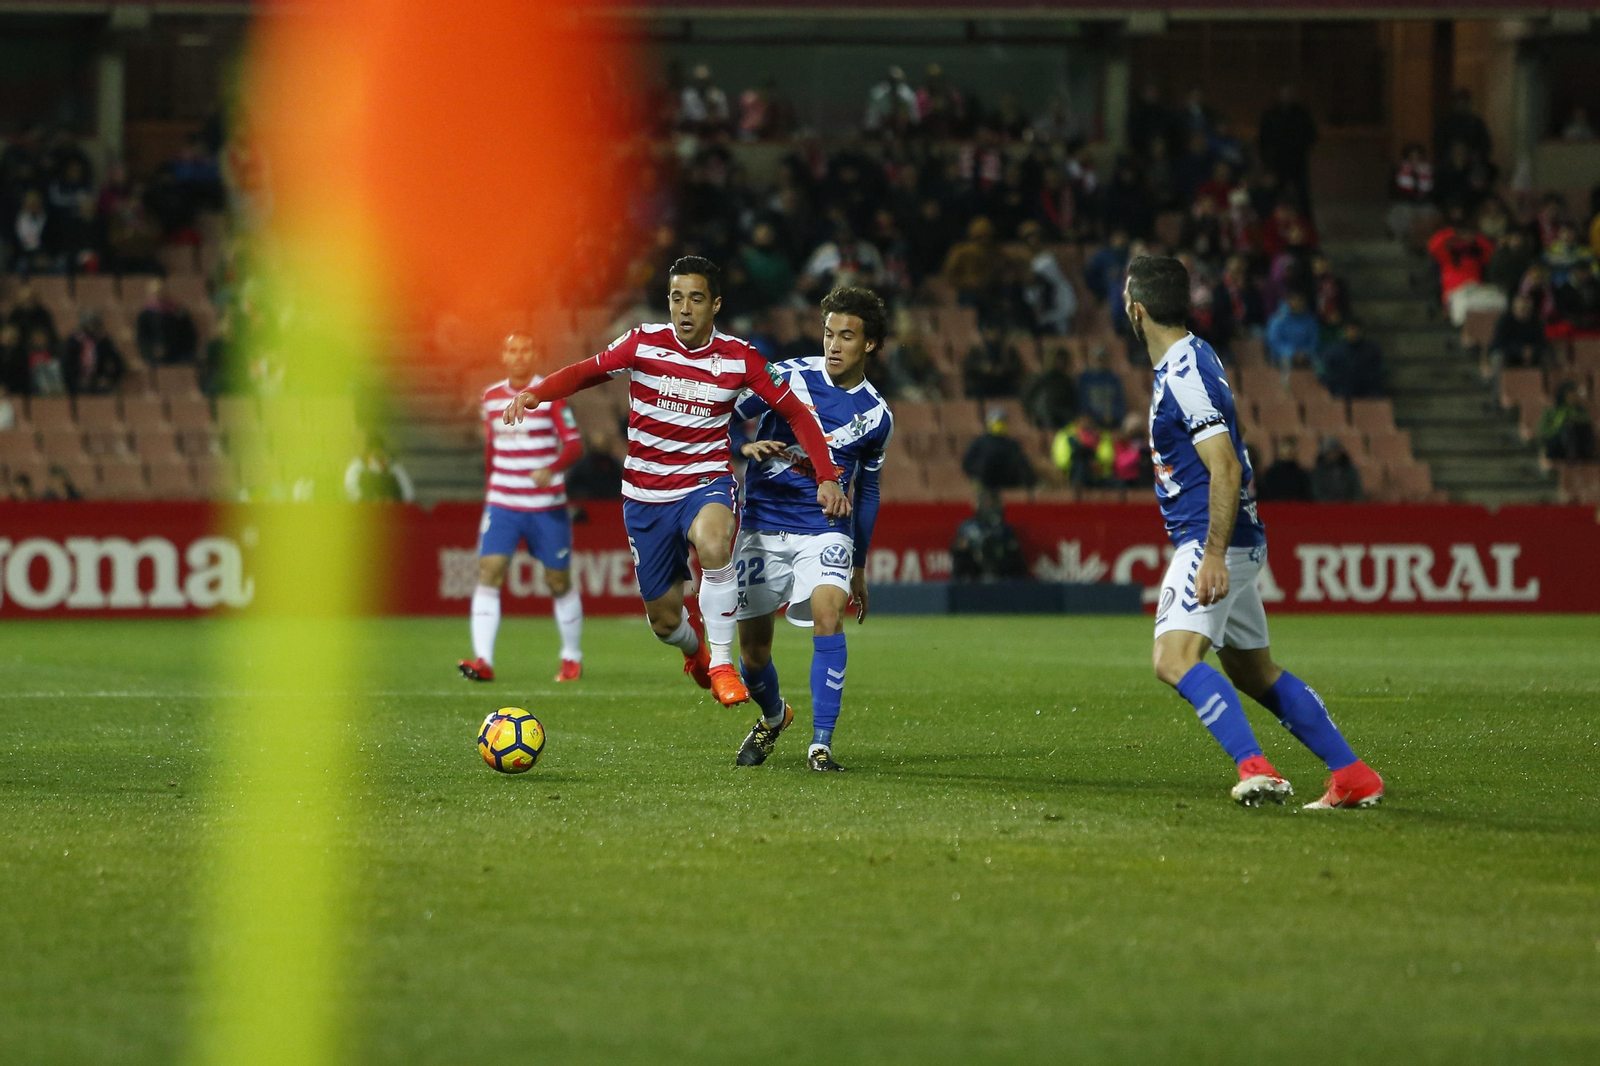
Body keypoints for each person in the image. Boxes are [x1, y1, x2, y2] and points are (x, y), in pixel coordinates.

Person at [503, 256, 846, 708]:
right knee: (665, 622)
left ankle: (723, 665)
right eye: (676, 298)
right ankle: (696, 652)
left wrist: (826, 476)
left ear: (715, 305)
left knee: (714, 541)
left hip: (705, 482)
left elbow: (796, 413)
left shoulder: (740, 357)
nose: (684, 309)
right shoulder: (642, 344)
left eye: (696, 299)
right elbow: (586, 371)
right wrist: (536, 392)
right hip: (645, 495)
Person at [1123, 253, 1383, 808]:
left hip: (1211, 538)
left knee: (1173, 659)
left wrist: (1213, 552)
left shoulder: (1185, 374)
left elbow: (1225, 464)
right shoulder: (1194, 356)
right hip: (1236, 539)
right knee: (1254, 670)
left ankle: (1255, 767)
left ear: (1136, 309)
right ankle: (1353, 774)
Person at [728, 287, 892, 773]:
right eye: (828, 333)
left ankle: (821, 744)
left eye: (847, 335)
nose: (834, 344)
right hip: (763, 524)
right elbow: (729, 417)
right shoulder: (787, 375)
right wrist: (744, 447)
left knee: (828, 615)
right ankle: (775, 717)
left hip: (826, 528)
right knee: (754, 657)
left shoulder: (877, 415)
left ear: (870, 345)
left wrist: (859, 565)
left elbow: (867, 492)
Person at [460, 332, 585, 684]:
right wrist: (491, 487)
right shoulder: (490, 398)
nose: (518, 356)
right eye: (512, 350)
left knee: (557, 581)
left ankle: (571, 658)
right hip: (503, 502)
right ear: (503, 356)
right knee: (490, 570)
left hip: (546, 505)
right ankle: (483, 660)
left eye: (525, 350)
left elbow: (574, 444)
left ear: (534, 355)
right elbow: (490, 449)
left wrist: (553, 468)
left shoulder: (549, 396)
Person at [1257, 85, 1317, 209]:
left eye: (1289, 94)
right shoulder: (1271, 114)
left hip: (1297, 161)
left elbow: (1311, 135)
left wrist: (1300, 148)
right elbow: (1263, 141)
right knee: (1274, 194)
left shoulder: (1301, 114)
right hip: (1277, 162)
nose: (1287, 97)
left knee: (1302, 194)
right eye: (1284, 94)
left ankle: (1306, 222)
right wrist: (1267, 164)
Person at [950, 491, 1027, 581]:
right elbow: (958, 546)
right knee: (961, 558)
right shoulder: (967, 526)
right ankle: (961, 585)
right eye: (986, 502)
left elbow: (1012, 546)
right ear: (979, 504)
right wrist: (963, 545)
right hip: (974, 561)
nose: (989, 506)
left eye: (992, 502)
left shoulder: (1005, 528)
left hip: (997, 561)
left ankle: (1015, 585)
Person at [961, 406, 1036, 493]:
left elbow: (1023, 465)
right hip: (986, 483)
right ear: (989, 423)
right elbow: (967, 464)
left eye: (1002, 421)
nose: (999, 424)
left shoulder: (1012, 445)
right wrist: (977, 476)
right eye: (996, 421)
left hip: (1009, 484)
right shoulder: (980, 442)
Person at [60, 310, 126, 396]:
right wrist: (76, 379)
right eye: (91, 325)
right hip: (77, 383)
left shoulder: (104, 341)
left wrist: (109, 378)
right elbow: (66, 364)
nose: (93, 328)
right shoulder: (73, 341)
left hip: (98, 382)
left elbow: (119, 363)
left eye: (95, 325)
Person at [136, 279, 199, 365]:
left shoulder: (179, 312)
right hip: (156, 356)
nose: (160, 295)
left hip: (180, 354)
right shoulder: (145, 315)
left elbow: (189, 334)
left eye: (162, 292)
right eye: (156, 293)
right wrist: (153, 350)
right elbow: (142, 338)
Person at [1319, 318, 1385, 398]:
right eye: (1350, 330)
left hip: (1366, 393)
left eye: (1355, 330)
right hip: (1340, 392)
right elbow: (1324, 372)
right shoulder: (1333, 351)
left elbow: (1379, 371)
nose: (1353, 333)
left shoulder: (1371, 350)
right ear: (1344, 331)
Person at [343, 431, 416, 503]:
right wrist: (361, 499)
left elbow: (407, 490)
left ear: (383, 451)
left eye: (379, 450)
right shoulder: (359, 465)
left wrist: (401, 503)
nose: (377, 453)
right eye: (374, 450)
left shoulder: (392, 466)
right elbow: (349, 483)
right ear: (368, 451)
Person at [1488, 294, 1552, 371]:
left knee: (1547, 357)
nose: (1525, 311)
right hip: (1509, 354)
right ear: (1514, 308)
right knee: (1497, 357)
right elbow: (1498, 343)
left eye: (1528, 309)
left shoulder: (1535, 322)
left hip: (1532, 355)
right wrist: (1519, 351)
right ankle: (1499, 382)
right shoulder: (1505, 321)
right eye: (1522, 309)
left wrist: (1532, 351)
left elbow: (1542, 343)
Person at [1020, 346, 1077, 430]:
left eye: (1063, 360)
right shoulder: (1043, 378)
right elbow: (1027, 397)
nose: (1060, 363)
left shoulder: (1067, 381)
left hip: (1064, 418)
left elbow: (1073, 403)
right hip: (1044, 417)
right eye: (1058, 360)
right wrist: (1029, 415)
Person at [1537, 382, 1597, 461]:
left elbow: (1587, 420)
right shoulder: (1552, 411)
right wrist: (1563, 423)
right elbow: (1544, 430)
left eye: (1575, 395)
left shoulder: (1579, 409)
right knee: (1567, 427)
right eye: (1571, 395)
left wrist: (1574, 419)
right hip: (1555, 441)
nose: (1574, 398)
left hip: (1577, 442)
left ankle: (1587, 455)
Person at [961, 326, 1024, 399]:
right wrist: (982, 367)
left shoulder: (1009, 350)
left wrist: (1003, 369)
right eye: (989, 331)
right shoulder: (975, 350)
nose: (992, 335)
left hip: (1005, 383)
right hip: (982, 383)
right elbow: (968, 368)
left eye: (994, 331)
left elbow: (1017, 367)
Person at [1265, 290, 1319, 369]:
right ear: (1288, 301)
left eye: (1300, 300)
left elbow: (1314, 340)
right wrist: (1292, 353)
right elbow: (1274, 341)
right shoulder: (1278, 319)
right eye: (1295, 300)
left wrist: (1305, 352)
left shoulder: (1310, 320)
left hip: (1306, 355)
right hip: (1282, 356)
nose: (1298, 303)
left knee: (1319, 363)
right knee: (1286, 361)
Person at [1254, 436, 1312, 502]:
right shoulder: (1271, 474)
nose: (1289, 451)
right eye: (1286, 447)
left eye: (1291, 448)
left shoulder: (1302, 475)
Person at [1310, 437, 1363, 502]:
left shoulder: (1350, 470)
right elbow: (1317, 493)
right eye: (1329, 452)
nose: (1333, 455)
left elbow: (1356, 490)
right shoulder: (1318, 472)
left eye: (1335, 452)